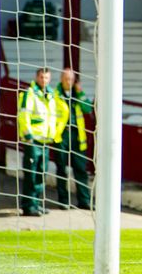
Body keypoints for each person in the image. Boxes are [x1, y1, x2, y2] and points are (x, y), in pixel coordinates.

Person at [18, 68, 57, 216]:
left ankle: (36, 203)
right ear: (36, 77)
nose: (44, 80)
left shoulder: (51, 95)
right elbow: (23, 115)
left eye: (46, 78)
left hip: (45, 141)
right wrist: (28, 136)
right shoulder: (30, 93)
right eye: (41, 77)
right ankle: (28, 205)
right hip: (33, 140)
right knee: (31, 173)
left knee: (41, 173)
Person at [53, 68, 93, 209]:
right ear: (61, 79)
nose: (68, 82)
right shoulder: (55, 94)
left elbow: (88, 109)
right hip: (61, 135)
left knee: (80, 169)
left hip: (77, 135)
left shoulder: (78, 95)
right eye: (66, 79)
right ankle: (63, 201)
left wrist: (80, 92)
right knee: (61, 169)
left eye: (71, 79)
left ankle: (84, 201)